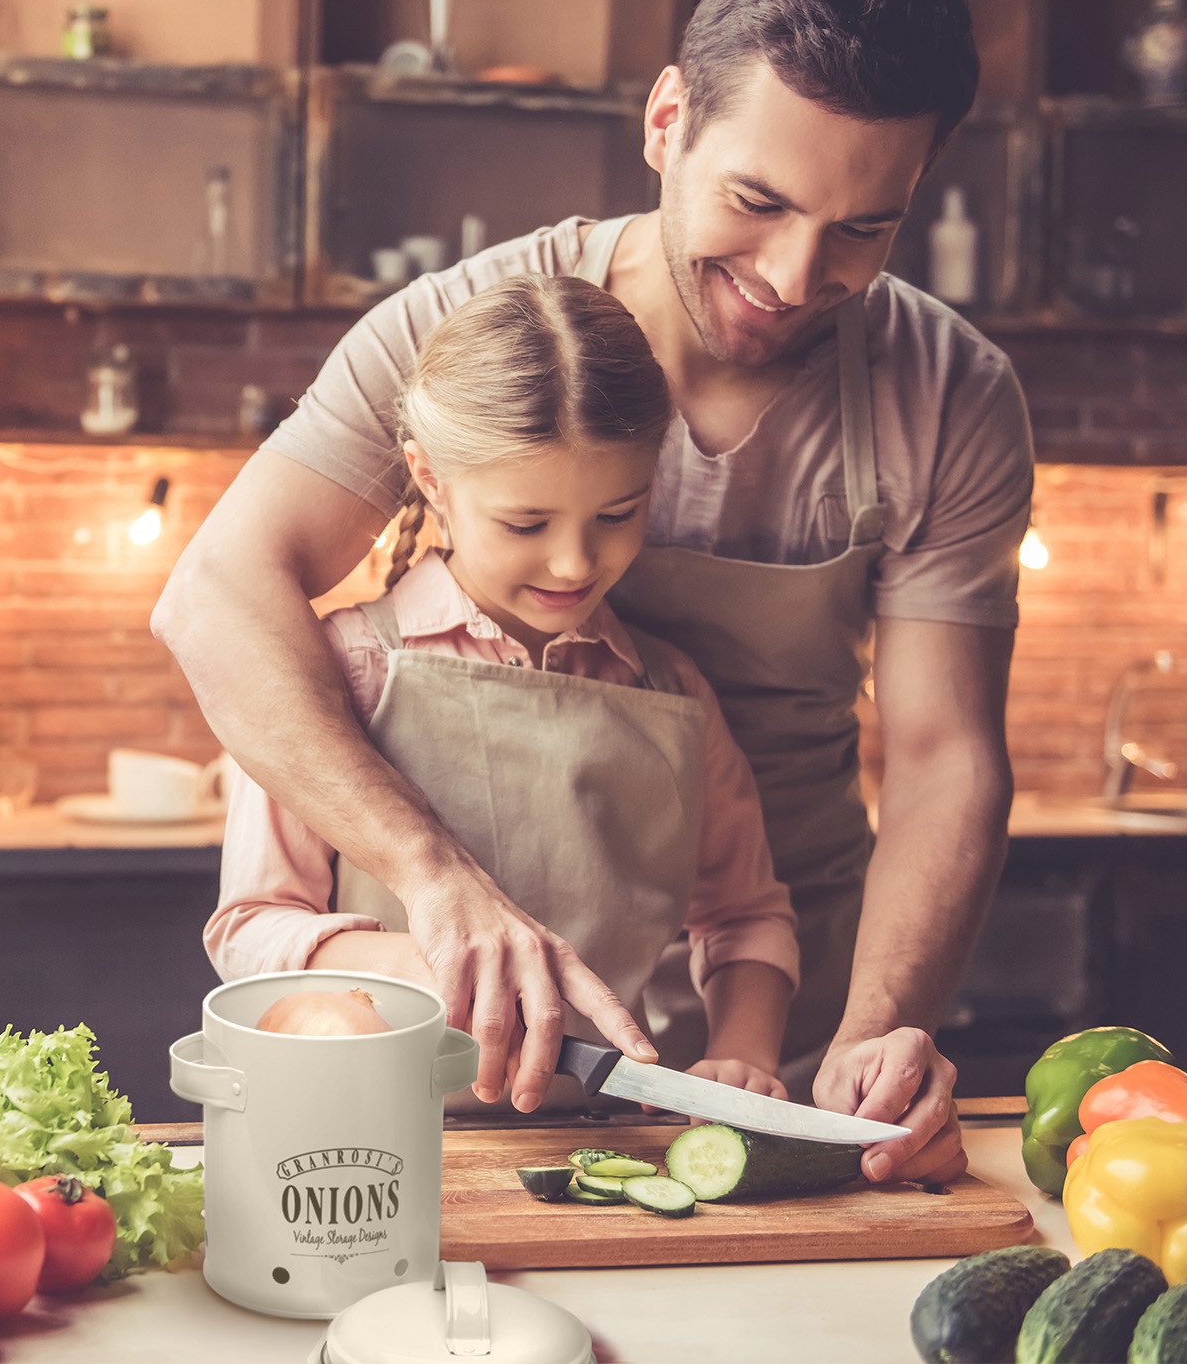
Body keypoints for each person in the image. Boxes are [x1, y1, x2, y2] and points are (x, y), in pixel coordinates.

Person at [154, 0, 1033, 1185]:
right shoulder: (469, 330)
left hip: (779, 1003)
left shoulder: (953, 394)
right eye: (759, 200)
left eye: (864, 228)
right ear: (668, 121)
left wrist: (876, 1027)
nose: (795, 273)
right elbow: (217, 594)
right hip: (446, 1029)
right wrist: (436, 889)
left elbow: (950, 758)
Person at [205, 275, 800, 1112]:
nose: (574, 564)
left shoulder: (672, 695)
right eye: (526, 524)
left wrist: (743, 1053)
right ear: (431, 480)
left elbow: (747, 918)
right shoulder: (341, 672)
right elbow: (250, 927)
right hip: (364, 1138)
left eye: (618, 514)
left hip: (608, 1146)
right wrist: (430, 963)